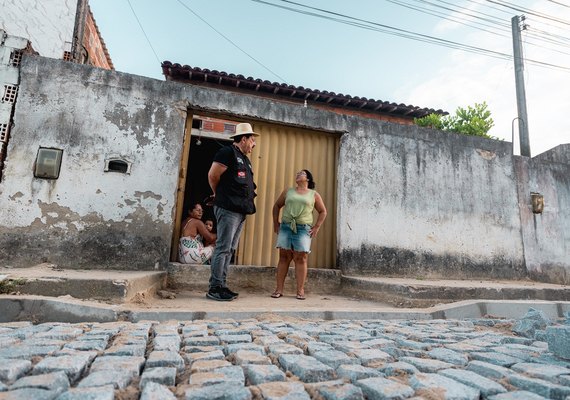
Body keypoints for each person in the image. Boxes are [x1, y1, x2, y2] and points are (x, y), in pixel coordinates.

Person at [206, 122, 259, 301]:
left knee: (230, 249)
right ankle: (214, 287)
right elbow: (213, 176)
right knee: (223, 247)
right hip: (228, 208)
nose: (254, 144)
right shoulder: (227, 152)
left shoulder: (245, 159)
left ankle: (222, 284)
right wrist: (217, 194)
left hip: (240, 210)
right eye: (252, 140)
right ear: (243, 139)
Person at [271, 169, 327, 300]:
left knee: (300, 258)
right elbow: (276, 206)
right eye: (297, 173)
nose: (297, 174)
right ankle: (279, 289)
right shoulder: (288, 191)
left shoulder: (314, 194)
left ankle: (300, 290)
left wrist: (316, 227)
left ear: (307, 179)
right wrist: (276, 223)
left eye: (301, 173)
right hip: (286, 226)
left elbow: (323, 211)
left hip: (303, 229)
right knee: (284, 257)